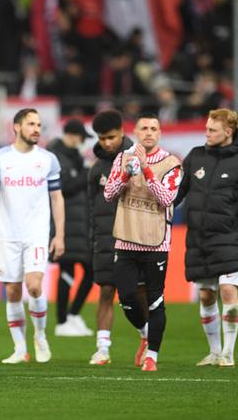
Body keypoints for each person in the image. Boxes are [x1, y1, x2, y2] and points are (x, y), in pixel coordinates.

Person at [175, 108, 238, 368]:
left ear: (228, 132)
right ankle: (214, 352)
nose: (207, 134)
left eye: (212, 130)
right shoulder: (195, 157)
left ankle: (228, 353)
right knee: (205, 297)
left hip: (230, 240)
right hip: (199, 240)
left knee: (227, 291)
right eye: (206, 129)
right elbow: (178, 194)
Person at [0, 108, 64, 364]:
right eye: (31, 124)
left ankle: (40, 335)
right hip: (8, 234)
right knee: (13, 292)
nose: (37, 129)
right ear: (16, 127)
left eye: (39, 124)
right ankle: (20, 348)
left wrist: (59, 234)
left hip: (37, 234)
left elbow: (57, 198)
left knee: (34, 285)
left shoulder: (48, 159)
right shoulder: (0, 157)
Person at [104, 113, 182, 372]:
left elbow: (167, 199)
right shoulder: (123, 157)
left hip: (155, 243)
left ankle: (152, 356)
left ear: (160, 133)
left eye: (153, 128)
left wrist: (147, 169)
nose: (148, 132)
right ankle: (145, 332)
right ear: (136, 132)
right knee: (126, 298)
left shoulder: (172, 163)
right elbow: (108, 194)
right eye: (144, 128)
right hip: (125, 240)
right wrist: (126, 176)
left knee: (156, 301)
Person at [87, 109, 146, 365]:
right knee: (105, 291)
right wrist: (95, 240)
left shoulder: (139, 160)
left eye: (111, 137)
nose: (107, 142)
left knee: (135, 294)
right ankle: (102, 349)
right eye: (102, 138)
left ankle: (146, 337)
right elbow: (92, 210)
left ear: (123, 132)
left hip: (134, 239)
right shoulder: (96, 169)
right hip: (105, 240)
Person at [46, 119, 94, 337]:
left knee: (88, 271)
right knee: (69, 270)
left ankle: (72, 316)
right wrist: (87, 173)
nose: (83, 143)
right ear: (73, 135)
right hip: (63, 223)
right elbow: (65, 186)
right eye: (82, 138)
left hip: (79, 223)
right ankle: (63, 320)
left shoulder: (73, 157)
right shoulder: (54, 155)